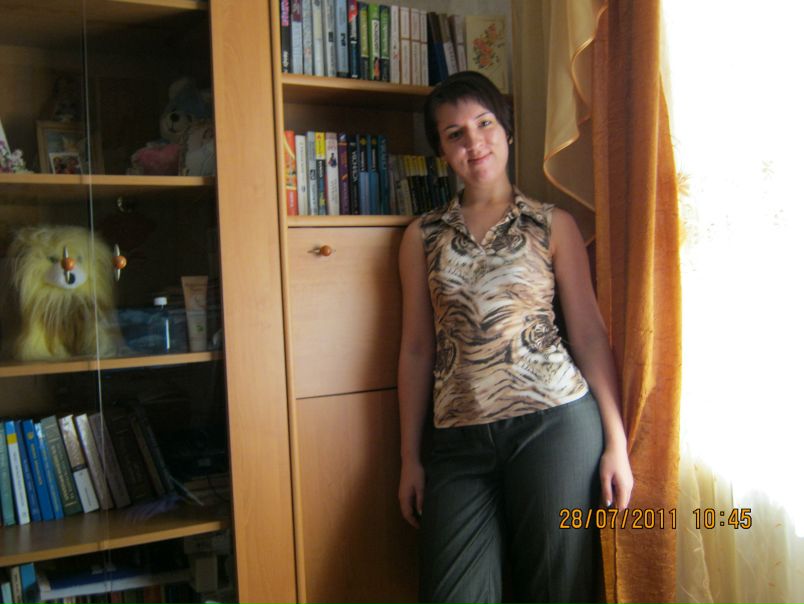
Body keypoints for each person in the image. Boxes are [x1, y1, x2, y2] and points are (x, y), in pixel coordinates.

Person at [397, 71, 633, 604]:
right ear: (441, 150)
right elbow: (415, 349)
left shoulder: (551, 224)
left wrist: (616, 444)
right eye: (454, 133)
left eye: (484, 124)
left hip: (555, 426)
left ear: (506, 130)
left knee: (557, 590)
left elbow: (589, 336)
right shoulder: (422, 236)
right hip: (457, 440)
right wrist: (409, 457)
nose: (473, 142)